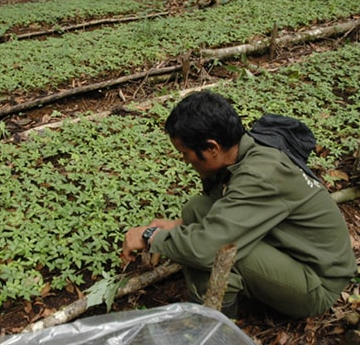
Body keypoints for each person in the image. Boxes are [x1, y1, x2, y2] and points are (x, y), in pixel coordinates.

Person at [121, 90, 356, 318]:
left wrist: (150, 236)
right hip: (299, 253)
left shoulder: (260, 174)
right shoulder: (249, 149)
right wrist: (177, 226)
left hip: (317, 284)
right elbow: (221, 210)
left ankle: (216, 319)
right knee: (196, 209)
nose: (184, 161)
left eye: (185, 153)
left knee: (207, 254)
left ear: (212, 147)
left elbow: (205, 250)